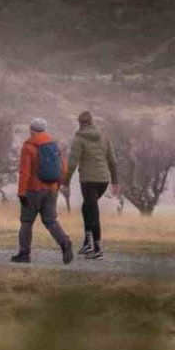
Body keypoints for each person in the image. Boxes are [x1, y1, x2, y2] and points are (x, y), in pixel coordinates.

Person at [11, 117, 75, 265]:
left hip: (33, 190)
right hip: (51, 189)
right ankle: (65, 243)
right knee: (50, 221)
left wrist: (21, 193)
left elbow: (25, 172)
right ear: (44, 129)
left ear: (31, 129)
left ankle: (24, 254)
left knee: (26, 222)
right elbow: (63, 168)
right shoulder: (54, 145)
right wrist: (57, 185)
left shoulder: (28, 147)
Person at [65, 110, 119, 260]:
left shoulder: (79, 138)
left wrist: (65, 182)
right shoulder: (104, 137)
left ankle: (97, 249)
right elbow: (113, 161)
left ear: (81, 123)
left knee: (93, 212)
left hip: (88, 180)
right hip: (103, 180)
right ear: (92, 121)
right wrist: (115, 181)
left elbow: (72, 163)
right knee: (87, 207)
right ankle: (87, 243)